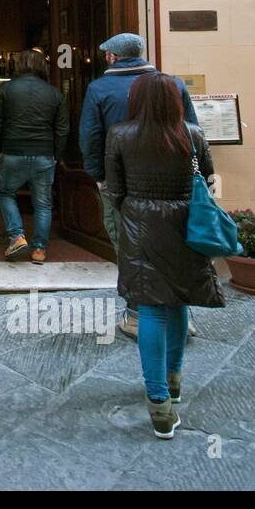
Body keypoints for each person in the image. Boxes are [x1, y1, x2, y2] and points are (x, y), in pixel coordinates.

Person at [103, 72, 225, 439]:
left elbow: (116, 190)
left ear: (136, 100)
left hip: (141, 225)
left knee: (152, 306)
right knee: (178, 300)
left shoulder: (120, 135)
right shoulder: (192, 134)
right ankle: (173, 383)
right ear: (175, 100)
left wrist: (137, 211)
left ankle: (158, 403)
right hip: (186, 225)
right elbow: (206, 177)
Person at [79, 33, 198, 338]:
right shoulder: (173, 84)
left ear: (112, 57)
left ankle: (135, 315)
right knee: (175, 245)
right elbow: (193, 131)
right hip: (174, 183)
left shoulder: (100, 88)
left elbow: (90, 136)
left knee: (128, 246)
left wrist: (98, 175)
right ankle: (181, 316)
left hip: (123, 181)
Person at [0, 49, 69, 264]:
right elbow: (62, 129)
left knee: (6, 193)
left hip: (13, 151)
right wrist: (56, 155)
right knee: (43, 203)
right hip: (44, 153)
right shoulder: (54, 93)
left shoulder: (6, 89)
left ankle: (17, 236)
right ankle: (39, 250)